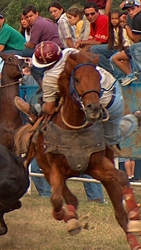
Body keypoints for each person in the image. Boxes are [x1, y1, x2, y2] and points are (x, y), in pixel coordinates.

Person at [14, 41, 141, 202]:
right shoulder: (70, 52)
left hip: (106, 100)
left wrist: (41, 111)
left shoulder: (50, 76)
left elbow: (50, 106)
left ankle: (133, 120)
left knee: (109, 140)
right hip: (92, 94)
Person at [111, 0, 141, 86]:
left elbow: (135, 39)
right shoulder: (136, 17)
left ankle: (139, 74)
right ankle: (131, 75)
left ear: (140, 7)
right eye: (128, 10)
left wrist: (126, 25)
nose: (131, 12)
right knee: (115, 58)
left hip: (138, 47)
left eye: (133, 9)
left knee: (134, 47)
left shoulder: (138, 17)